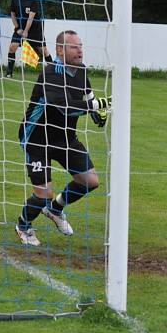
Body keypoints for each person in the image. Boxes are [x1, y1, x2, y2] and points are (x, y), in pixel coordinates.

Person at [14, 30, 110, 246]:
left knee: (90, 181)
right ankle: (23, 225)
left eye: (81, 46)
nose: (80, 50)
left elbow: (89, 97)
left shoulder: (82, 71)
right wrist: (97, 105)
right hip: (37, 138)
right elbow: (65, 108)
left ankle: (55, 210)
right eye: (74, 46)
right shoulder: (51, 73)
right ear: (60, 49)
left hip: (65, 137)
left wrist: (98, 114)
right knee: (43, 194)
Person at [7, 0, 52, 77]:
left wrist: (26, 31)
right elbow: (13, 15)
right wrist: (17, 28)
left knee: (43, 51)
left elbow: (31, 18)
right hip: (20, 29)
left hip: (35, 30)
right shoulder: (15, 1)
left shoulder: (33, 2)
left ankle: (54, 72)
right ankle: (9, 73)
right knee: (12, 47)